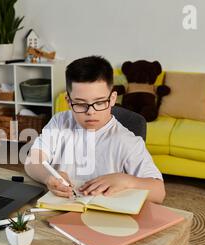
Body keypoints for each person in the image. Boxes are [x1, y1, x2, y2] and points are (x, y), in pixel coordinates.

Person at [24, 56, 165, 204]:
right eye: (80, 104)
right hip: (59, 209)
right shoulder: (59, 122)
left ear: (112, 99)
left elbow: (159, 192)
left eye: (99, 102)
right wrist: (48, 177)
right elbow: (32, 161)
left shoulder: (127, 141)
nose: (90, 112)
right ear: (69, 102)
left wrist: (127, 180)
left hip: (104, 219)